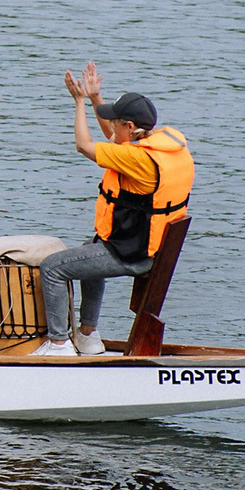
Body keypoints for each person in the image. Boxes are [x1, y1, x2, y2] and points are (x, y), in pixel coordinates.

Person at [37, 66, 195, 357]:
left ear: (131, 127)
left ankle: (58, 345)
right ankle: (88, 335)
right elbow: (116, 139)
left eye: (116, 123)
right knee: (89, 248)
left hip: (132, 254)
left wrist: (80, 101)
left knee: (52, 268)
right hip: (151, 248)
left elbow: (84, 146)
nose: (111, 128)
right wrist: (96, 97)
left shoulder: (139, 159)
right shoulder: (165, 148)